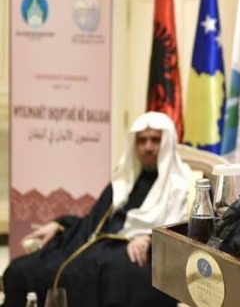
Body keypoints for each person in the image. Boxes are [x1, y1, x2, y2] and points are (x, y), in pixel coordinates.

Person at [2, 112, 193, 307]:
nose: (148, 147)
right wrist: (60, 224)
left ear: (167, 142)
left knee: (106, 272)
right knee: (20, 270)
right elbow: (93, 221)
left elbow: (187, 232)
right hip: (97, 246)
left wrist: (151, 239)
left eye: (155, 140)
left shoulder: (181, 185)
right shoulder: (124, 181)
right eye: (142, 141)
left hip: (141, 256)